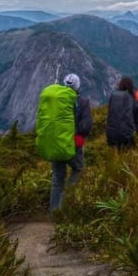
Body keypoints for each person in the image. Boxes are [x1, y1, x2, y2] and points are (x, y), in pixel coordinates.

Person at [50, 73, 93, 212]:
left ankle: (54, 212)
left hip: (56, 143)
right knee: (78, 169)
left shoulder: (56, 100)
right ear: (77, 86)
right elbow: (86, 126)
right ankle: (65, 202)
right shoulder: (83, 101)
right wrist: (74, 132)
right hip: (73, 144)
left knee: (57, 178)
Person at [105, 76, 138, 149]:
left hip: (111, 136)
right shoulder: (134, 102)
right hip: (128, 137)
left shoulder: (113, 97)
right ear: (131, 87)